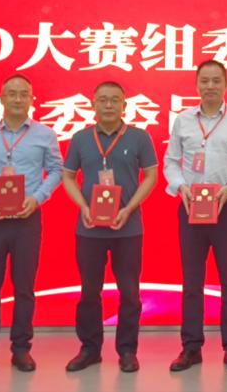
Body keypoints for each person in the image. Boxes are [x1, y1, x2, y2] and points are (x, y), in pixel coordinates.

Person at [163, 60, 227, 373]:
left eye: (216, 80)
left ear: (226, 84)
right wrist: (180, 187)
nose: (210, 86)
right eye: (204, 81)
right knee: (192, 281)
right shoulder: (183, 120)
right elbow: (171, 161)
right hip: (191, 206)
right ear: (196, 84)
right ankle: (191, 347)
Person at [0, 74, 63, 375]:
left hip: (27, 220)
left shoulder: (45, 135)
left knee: (24, 289)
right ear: (1, 98)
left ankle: (21, 349)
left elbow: (56, 170)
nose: (18, 99)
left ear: (32, 99)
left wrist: (38, 198)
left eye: (23, 94)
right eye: (12, 93)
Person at [63, 81, 158, 373]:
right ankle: (90, 349)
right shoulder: (80, 138)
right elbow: (68, 177)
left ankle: (127, 350)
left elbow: (151, 176)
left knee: (129, 291)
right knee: (89, 291)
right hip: (89, 228)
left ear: (124, 105)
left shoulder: (140, 137)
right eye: (102, 99)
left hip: (128, 228)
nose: (108, 105)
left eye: (114, 100)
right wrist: (83, 206)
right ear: (93, 104)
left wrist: (129, 208)